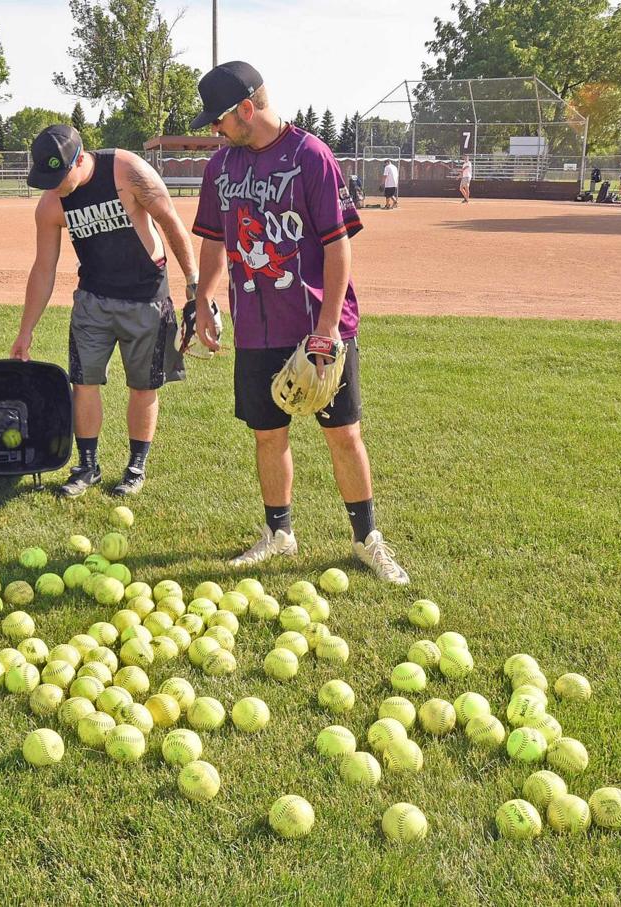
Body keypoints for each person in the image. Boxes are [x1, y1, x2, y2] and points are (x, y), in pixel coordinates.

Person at [188, 60, 409, 584]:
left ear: (247, 108)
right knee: (268, 434)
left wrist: (329, 327)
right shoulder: (220, 168)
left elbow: (338, 247)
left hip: (316, 324)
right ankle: (279, 533)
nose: (214, 131)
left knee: (343, 434)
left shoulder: (311, 156)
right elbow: (214, 242)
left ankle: (366, 539)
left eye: (218, 119)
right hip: (256, 328)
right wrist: (201, 301)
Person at [11, 124, 196, 498]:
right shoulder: (51, 203)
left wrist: (194, 287)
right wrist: (26, 330)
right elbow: (43, 268)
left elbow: (170, 222)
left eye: (59, 176)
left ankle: (135, 467)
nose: (53, 185)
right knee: (84, 383)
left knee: (143, 387)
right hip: (93, 300)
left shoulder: (127, 171)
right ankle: (88, 466)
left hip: (147, 297)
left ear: (80, 159)